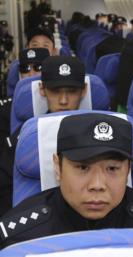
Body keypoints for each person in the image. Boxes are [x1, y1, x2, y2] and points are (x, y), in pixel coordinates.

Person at [0, 113, 133, 249]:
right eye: (82, 168)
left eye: (112, 169)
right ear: (58, 167)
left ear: (127, 170)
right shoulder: (17, 237)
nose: (97, 185)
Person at [0, 56, 87, 217]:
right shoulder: (26, 139)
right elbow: (4, 191)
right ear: (42, 89)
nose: (63, 100)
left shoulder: (106, 131)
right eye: (55, 91)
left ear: (84, 90)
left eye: (72, 91)